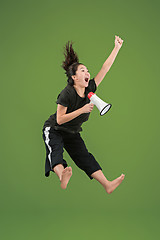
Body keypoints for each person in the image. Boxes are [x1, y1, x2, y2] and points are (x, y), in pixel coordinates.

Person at [42, 36, 125, 194]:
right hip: (54, 129)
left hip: (72, 132)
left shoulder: (90, 88)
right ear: (74, 77)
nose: (87, 72)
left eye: (87, 70)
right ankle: (62, 176)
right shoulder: (66, 94)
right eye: (83, 70)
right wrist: (82, 110)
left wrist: (116, 48)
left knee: (85, 157)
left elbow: (105, 68)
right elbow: (59, 120)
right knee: (55, 150)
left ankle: (107, 185)